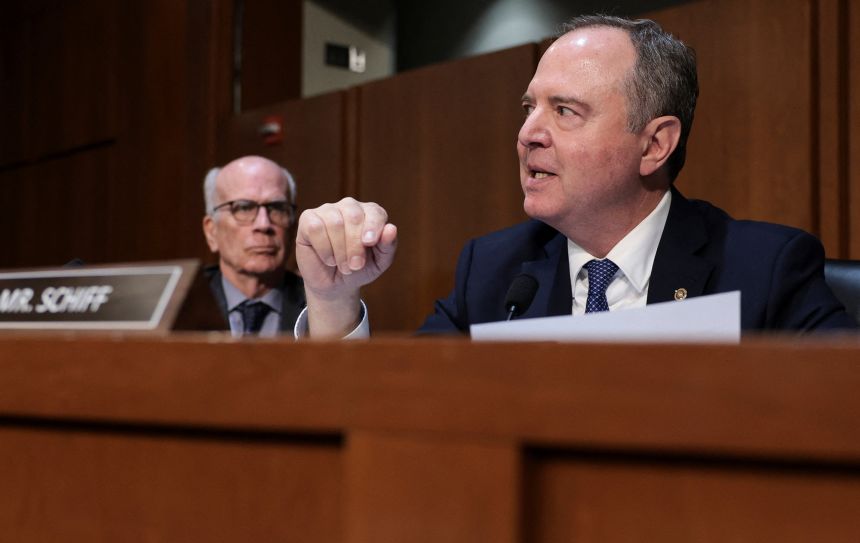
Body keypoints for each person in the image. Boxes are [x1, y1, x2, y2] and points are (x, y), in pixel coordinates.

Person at [293, 15, 856, 338]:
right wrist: (333, 300)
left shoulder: (765, 270)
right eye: (528, 108)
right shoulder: (494, 273)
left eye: (565, 111)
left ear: (655, 144)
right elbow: (398, 417)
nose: (528, 134)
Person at [178, 155, 305, 336]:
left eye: (277, 208)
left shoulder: (321, 305)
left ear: (293, 226)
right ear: (211, 231)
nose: (264, 224)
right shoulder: (180, 306)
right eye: (244, 208)